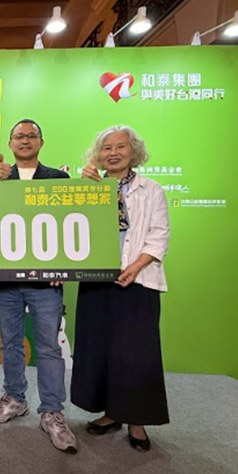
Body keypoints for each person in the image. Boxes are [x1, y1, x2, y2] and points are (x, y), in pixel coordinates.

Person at [72, 125, 170, 452]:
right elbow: (72, 229)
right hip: (96, 280)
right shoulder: (90, 188)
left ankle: (136, 421)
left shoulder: (151, 190)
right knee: (99, 349)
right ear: (98, 156)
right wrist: (83, 191)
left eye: (120, 147)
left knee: (136, 353)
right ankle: (111, 412)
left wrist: (136, 265)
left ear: (133, 151)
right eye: (106, 148)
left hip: (138, 281)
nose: (113, 153)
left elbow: (159, 235)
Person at [0, 119, 78, 453]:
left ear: (41, 142)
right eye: (19, 136)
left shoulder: (58, 179)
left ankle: (52, 411)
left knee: (48, 347)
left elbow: (69, 225)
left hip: (45, 281)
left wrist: (62, 267)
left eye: (31, 136)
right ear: (10, 144)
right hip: (6, 279)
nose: (25, 140)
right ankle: (15, 397)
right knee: (10, 343)